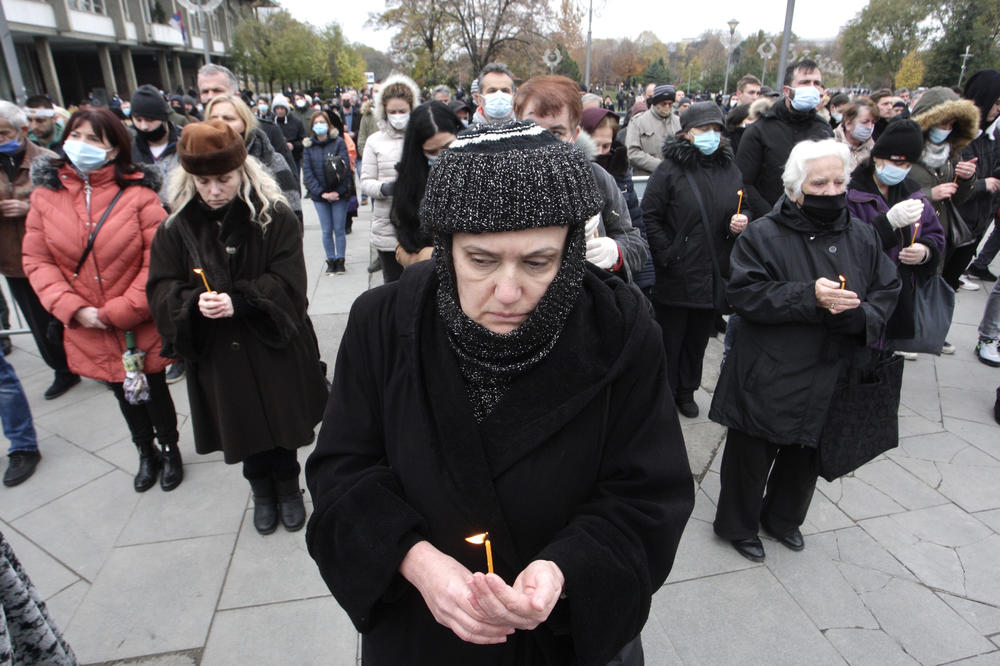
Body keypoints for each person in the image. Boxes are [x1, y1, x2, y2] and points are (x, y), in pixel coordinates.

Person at [304, 120, 695, 664]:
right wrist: (415, 560)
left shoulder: (622, 331)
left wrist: (564, 570)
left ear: (572, 249)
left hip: (561, 639)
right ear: (445, 249)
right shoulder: (383, 322)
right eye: (481, 261)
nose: (508, 293)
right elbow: (341, 470)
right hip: (423, 628)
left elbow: (648, 495)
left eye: (538, 262)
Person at [711, 139, 900, 563]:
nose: (832, 191)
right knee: (751, 456)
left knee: (806, 454)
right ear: (796, 189)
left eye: (839, 181)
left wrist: (863, 318)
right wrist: (807, 297)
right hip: (770, 369)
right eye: (820, 183)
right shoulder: (764, 234)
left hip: (831, 369)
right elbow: (743, 294)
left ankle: (782, 519)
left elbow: (888, 288)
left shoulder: (863, 235)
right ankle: (737, 525)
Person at [147, 120, 328, 534]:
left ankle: (288, 486)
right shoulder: (176, 227)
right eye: (204, 181)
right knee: (242, 426)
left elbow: (290, 282)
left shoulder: (273, 216)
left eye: (224, 179)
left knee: (282, 428)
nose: (214, 190)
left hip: (272, 345)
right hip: (218, 354)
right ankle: (261, 492)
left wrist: (242, 299)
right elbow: (160, 287)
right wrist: (192, 302)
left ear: (243, 171)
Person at [23, 107, 182, 493]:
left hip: (136, 319)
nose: (82, 145)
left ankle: (170, 448)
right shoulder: (46, 197)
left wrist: (118, 311)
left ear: (114, 148)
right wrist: (73, 308)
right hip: (86, 321)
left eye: (94, 139)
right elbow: (37, 259)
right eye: (76, 136)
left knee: (154, 387)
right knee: (120, 390)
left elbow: (158, 261)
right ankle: (146, 452)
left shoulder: (140, 196)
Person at [641, 102, 746, 418]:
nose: (711, 136)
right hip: (676, 273)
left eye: (716, 129)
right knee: (670, 338)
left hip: (713, 270)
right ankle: (665, 391)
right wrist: (667, 254)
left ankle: (687, 390)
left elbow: (743, 204)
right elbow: (649, 215)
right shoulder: (670, 169)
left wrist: (742, 221)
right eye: (704, 129)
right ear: (686, 133)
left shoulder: (730, 169)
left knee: (698, 340)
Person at [514, 75, 649, 279]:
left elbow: (635, 243)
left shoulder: (597, 178)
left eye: (556, 132)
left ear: (574, 135)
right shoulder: (495, 181)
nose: (543, 141)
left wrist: (615, 251)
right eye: (533, 129)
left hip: (588, 302)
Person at [846, 120, 947, 360]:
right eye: (897, 162)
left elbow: (935, 234)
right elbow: (848, 241)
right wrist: (886, 224)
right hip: (862, 291)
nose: (901, 169)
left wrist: (925, 251)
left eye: (908, 164)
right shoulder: (851, 191)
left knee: (885, 365)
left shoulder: (912, 192)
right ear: (878, 157)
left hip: (899, 292)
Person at [0, 101, 80, 401]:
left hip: (56, 256)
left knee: (67, 312)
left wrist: (28, 206)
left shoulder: (46, 161)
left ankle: (89, 361)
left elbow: (69, 206)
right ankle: (62, 369)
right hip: (13, 260)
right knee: (36, 320)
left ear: (22, 131)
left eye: (4, 133)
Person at [736, 59, 833, 220]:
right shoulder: (760, 130)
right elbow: (744, 182)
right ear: (787, 90)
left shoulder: (824, 130)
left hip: (814, 222)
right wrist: (773, 218)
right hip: (770, 223)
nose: (812, 87)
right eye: (804, 82)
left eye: (817, 83)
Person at [908, 86, 980, 302]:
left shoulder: (950, 153)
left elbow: (960, 197)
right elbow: (889, 191)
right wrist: (930, 193)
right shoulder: (906, 148)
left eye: (951, 124)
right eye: (942, 123)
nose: (946, 129)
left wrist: (966, 178)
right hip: (909, 231)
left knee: (928, 293)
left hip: (939, 232)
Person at [204, 94, 302, 225]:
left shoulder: (272, 161)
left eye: (228, 118)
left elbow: (293, 215)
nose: (220, 123)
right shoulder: (197, 163)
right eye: (213, 118)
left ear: (245, 123)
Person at [361, 74, 420, 284]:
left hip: (418, 226)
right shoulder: (374, 141)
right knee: (393, 287)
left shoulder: (422, 137)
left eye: (402, 111)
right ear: (384, 111)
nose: (397, 116)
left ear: (411, 109)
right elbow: (365, 181)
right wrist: (385, 188)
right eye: (392, 111)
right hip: (387, 226)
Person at [389, 101, 461, 270]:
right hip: (428, 277)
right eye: (431, 152)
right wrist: (429, 256)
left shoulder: (480, 173)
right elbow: (403, 245)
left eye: (448, 147)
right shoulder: (411, 183)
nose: (442, 156)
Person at [195, 64, 296, 179]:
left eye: (217, 90)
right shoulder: (193, 139)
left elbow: (291, 183)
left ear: (236, 95)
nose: (210, 96)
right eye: (204, 92)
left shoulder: (268, 130)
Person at [957, 71, 1000, 287]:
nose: (998, 108)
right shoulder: (960, 135)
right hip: (956, 225)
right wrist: (983, 184)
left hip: (975, 225)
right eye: (996, 102)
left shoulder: (989, 136)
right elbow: (949, 185)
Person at [302, 110, 352, 275]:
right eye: (316, 123)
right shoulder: (309, 147)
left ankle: (340, 259)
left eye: (322, 122)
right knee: (326, 229)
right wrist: (322, 193)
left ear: (328, 124)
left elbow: (345, 169)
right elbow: (308, 173)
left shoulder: (338, 142)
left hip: (339, 195)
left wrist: (337, 192)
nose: (319, 126)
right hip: (320, 196)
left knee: (339, 228)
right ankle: (330, 259)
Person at [625, 84, 681, 177]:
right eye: (664, 104)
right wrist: (660, 165)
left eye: (670, 104)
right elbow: (632, 153)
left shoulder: (679, 122)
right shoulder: (638, 122)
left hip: (675, 178)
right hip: (646, 178)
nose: (667, 107)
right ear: (655, 103)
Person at [833, 99, 877, 170]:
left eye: (873, 122)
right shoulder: (830, 143)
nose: (870, 127)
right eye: (865, 122)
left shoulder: (873, 148)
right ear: (848, 123)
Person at [272, 96, 306, 172]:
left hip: (294, 159)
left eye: (282, 108)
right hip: (275, 161)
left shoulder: (296, 122)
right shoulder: (270, 123)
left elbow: (303, 140)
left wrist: (293, 145)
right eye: (277, 108)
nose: (280, 111)